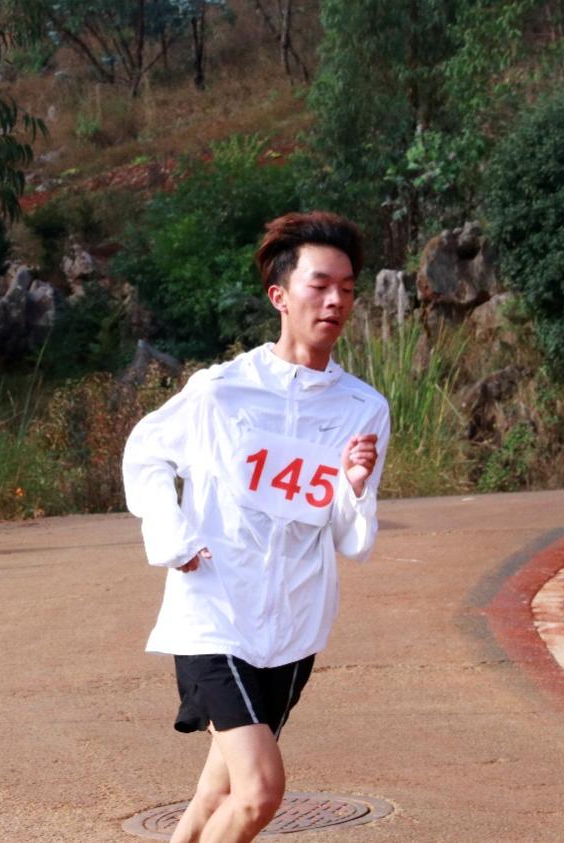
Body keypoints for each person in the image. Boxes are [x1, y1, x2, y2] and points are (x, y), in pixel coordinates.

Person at [122, 211, 389, 843]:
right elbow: (145, 452)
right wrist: (172, 537)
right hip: (214, 611)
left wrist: (353, 488)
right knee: (261, 791)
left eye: (347, 289)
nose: (335, 301)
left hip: (295, 627)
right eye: (319, 285)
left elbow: (352, 540)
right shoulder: (222, 391)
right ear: (280, 296)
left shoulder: (363, 408)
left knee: (217, 789)